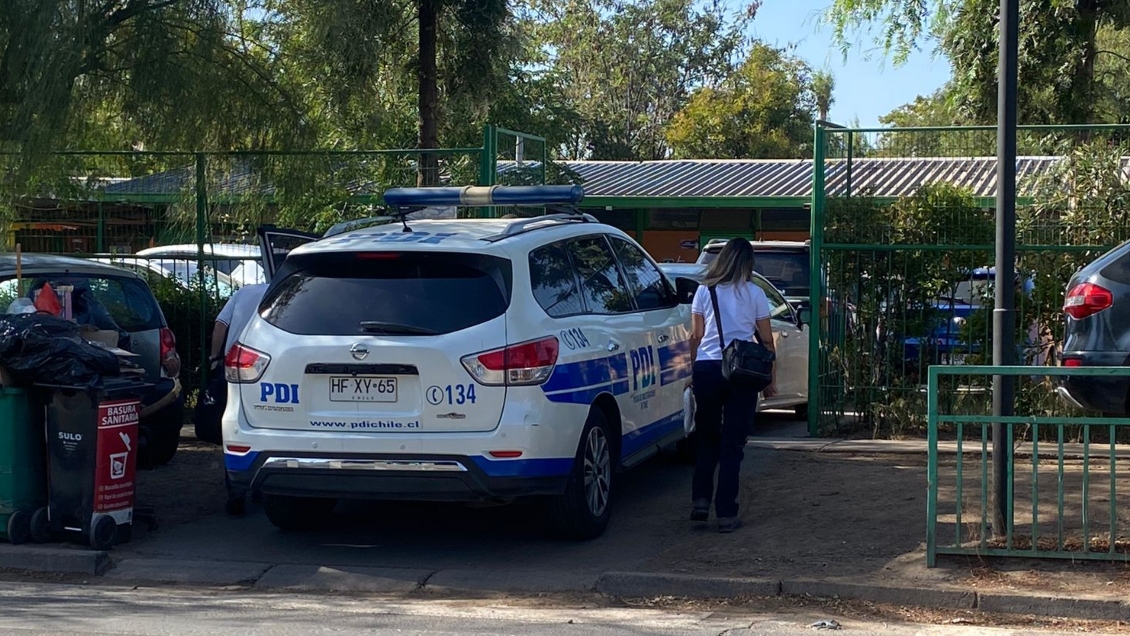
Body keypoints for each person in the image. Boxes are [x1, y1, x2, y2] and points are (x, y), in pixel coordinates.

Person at [687, 238, 775, 533]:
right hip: (741, 370)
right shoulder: (755, 293)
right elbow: (766, 340)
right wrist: (769, 379)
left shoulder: (704, 290)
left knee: (706, 436)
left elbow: (695, 335)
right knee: (733, 444)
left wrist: (693, 368)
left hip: (707, 367)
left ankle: (700, 501)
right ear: (748, 263)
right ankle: (726, 513)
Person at [195, 282, 268, 515]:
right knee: (266, 426)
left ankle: (236, 491)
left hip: (236, 367)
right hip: (271, 367)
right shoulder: (285, 292)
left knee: (236, 426)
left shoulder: (244, 292)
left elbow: (221, 325)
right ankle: (264, 485)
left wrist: (215, 358)